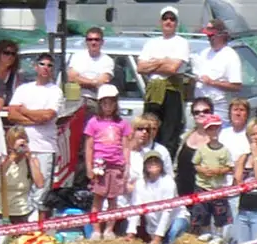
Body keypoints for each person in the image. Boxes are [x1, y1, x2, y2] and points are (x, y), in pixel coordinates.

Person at [135, 6, 194, 155]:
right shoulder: (151, 43)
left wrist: (154, 64)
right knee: (149, 129)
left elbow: (173, 69)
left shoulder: (181, 42)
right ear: (160, 22)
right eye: (165, 18)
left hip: (171, 91)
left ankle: (165, 166)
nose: (168, 21)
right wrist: (163, 61)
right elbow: (140, 68)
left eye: (172, 19)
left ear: (176, 22)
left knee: (169, 133)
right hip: (153, 92)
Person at [9, 53, 66, 197]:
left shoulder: (55, 91)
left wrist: (25, 110)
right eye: (42, 64)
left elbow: (48, 116)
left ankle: (38, 220)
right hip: (21, 147)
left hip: (44, 148)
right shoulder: (23, 89)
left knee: (40, 192)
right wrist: (37, 119)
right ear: (35, 67)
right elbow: (12, 114)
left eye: (49, 65)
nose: (46, 68)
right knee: (20, 189)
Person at [85, 84, 133, 229]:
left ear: (116, 104)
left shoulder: (122, 123)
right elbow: (89, 146)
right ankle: (96, 229)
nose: (108, 106)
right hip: (100, 166)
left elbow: (126, 146)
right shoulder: (93, 122)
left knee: (113, 199)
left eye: (111, 102)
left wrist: (127, 166)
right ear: (100, 104)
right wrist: (89, 167)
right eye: (104, 103)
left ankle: (109, 229)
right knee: (98, 198)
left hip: (116, 165)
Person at [187, 113, 236, 238]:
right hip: (203, 186)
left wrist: (219, 171)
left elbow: (230, 167)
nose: (213, 131)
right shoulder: (202, 149)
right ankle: (206, 232)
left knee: (220, 213)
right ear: (206, 131)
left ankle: (218, 235)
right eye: (210, 128)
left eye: (215, 128)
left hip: (218, 187)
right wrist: (202, 170)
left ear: (220, 129)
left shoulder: (224, 150)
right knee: (202, 212)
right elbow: (195, 164)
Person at [196, 20, 243, 121]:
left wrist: (211, 82)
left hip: (219, 108)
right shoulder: (204, 53)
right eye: (208, 36)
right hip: (201, 106)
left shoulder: (230, 55)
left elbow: (236, 86)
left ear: (221, 35)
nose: (209, 39)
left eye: (212, 35)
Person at [132, 152, 179, 244]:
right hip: (152, 225)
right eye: (150, 162)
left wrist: (158, 237)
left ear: (161, 165)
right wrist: (131, 232)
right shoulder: (140, 184)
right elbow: (135, 209)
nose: (153, 164)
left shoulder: (168, 181)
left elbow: (167, 211)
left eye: (156, 161)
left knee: (172, 236)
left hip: (174, 218)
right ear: (145, 166)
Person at [0, 126, 39, 221]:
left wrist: (30, 158)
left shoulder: (31, 160)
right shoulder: (2, 158)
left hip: (22, 210)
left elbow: (40, 183)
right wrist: (12, 157)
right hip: (1, 210)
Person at [68, 27, 115, 102]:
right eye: (90, 39)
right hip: (76, 100)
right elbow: (71, 78)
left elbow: (102, 81)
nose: (93, 42)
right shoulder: (77, 57)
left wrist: (80, 82)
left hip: (97, 101)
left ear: (102, 42)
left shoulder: (108, 60)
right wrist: (93, 83)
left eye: (97, 39)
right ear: (86, 42)